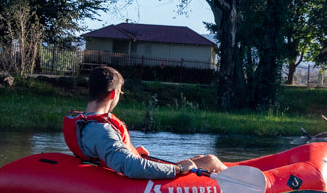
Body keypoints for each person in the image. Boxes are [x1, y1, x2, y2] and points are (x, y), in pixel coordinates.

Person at [63, 65, 227, 179]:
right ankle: (249, 190)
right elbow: (131, 166)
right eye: (120, 93)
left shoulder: (83, 123)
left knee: (200, 158)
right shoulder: (102, 130)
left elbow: (104, 152)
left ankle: (233, 171)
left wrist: (130, 149)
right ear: (113, 94)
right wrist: (179, 169)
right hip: (130, 180)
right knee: (211, 160)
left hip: (112, 167)